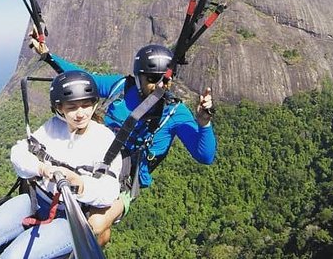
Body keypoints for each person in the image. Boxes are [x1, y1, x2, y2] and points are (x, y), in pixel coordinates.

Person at [30, 39, 217, 245]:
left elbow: (205, 156)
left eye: (166, 79)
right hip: (92, 161)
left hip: (126, 180)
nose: (160, 85)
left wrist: (203, 122)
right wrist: (48, 56)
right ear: (138, 77)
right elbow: (85, 81)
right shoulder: (120, 86)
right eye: (153, 78)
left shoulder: (175, 113)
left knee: (95, 224)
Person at [0, 70, 122, 259]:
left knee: (14, 256)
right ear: (60, 108)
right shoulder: (53, 127)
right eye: (72, 107)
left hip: (69, 217)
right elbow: (19, 152)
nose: (80, 114)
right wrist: (41, 168)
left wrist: (81, 184)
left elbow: (110, 191)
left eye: (86, 105)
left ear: (94, 104)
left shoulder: (104, 139)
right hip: (35, 200)